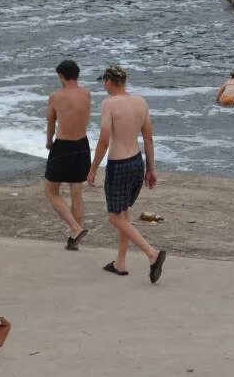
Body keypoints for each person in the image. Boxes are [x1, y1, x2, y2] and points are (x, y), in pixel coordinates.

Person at [87, 66, 166, 282]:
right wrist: (151, 169)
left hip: (118, 165)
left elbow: (104, 141)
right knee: (124, 214)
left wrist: (93, 169)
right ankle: (120, 263)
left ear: (110, 82)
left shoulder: (109, 104)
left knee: (115, 217)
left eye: (104, 81)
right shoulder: (140, 102)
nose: (104, 85)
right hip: (136, 162)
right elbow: (148, 138)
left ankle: (152, 254)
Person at [44, 59, 92, 249]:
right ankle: (74, 240)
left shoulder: (56, 96)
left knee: (51, 190)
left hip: (64, 145)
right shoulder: (87, 93)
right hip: (83, 144)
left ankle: (75, 228)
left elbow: (50, 121)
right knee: (76, 190)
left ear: (61, 76)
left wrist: (49, 141)